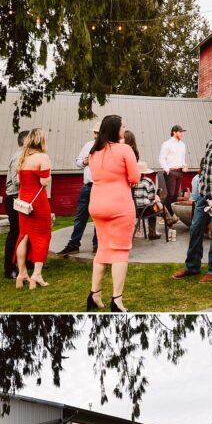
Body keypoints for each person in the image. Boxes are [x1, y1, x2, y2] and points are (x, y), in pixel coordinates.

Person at [86, 114, 140, 312]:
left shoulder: (94, 152)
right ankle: (116, 300)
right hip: (119, 205)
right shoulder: (124, 149)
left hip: (97, 204)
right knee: (120, 251)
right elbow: (134, 177)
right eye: (122, 126)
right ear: (115, 129)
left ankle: (94, 294)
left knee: (102, 249)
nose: (124, 129)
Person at [171, 115, 212, 283]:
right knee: (195, 229)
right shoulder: (210, 144)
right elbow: (205, 168)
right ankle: (192, 266)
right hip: (204, 197)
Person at [13, 128, 52, 290]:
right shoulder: (42, 157)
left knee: (25, 236)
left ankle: (22, 273)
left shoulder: (22, 158)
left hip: (24, 202)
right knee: (43, 236)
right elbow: (44, 182)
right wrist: (48, 177)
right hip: (38, 203)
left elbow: (18, 180)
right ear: (41, 140)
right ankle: (37, 274)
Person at [58, 124, 99, 256]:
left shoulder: (107, 147)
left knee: (98, 218)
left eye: (98, 132)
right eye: (94, 132)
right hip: (87, 186)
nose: (96, 135)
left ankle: (97, 245)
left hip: (100, 186)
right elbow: (78, 161)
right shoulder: (88, 145)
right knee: (80, 217)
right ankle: (74, 244)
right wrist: (84, 162)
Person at [126, 130, 161, 241]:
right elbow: (151, 197)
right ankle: (152, 233)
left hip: (133, 209)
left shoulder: (130, 182)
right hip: (145, 209)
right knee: (155, 207)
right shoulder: (148, 181)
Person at [3, 130, 28, 279]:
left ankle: (27, 262)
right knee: (15, 233)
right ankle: (9, 268)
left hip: (23, 198)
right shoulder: (19, 157)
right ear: (25, 142)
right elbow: (15, 180)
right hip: (15, 199)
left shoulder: (27, 157)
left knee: (26, 232)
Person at [159, 124, 187, 229]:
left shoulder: (182, 145)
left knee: (175, 195)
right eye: (180, 132)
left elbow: (182, 158)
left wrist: (184, 166)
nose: (182, 133)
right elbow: (161, 158)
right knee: (170, 195)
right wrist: (167, 170)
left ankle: (169, 217)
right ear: (174, 132)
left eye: (182, 132)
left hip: (180, 171)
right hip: (171, 172)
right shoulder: (167, 144)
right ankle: (165, 216)